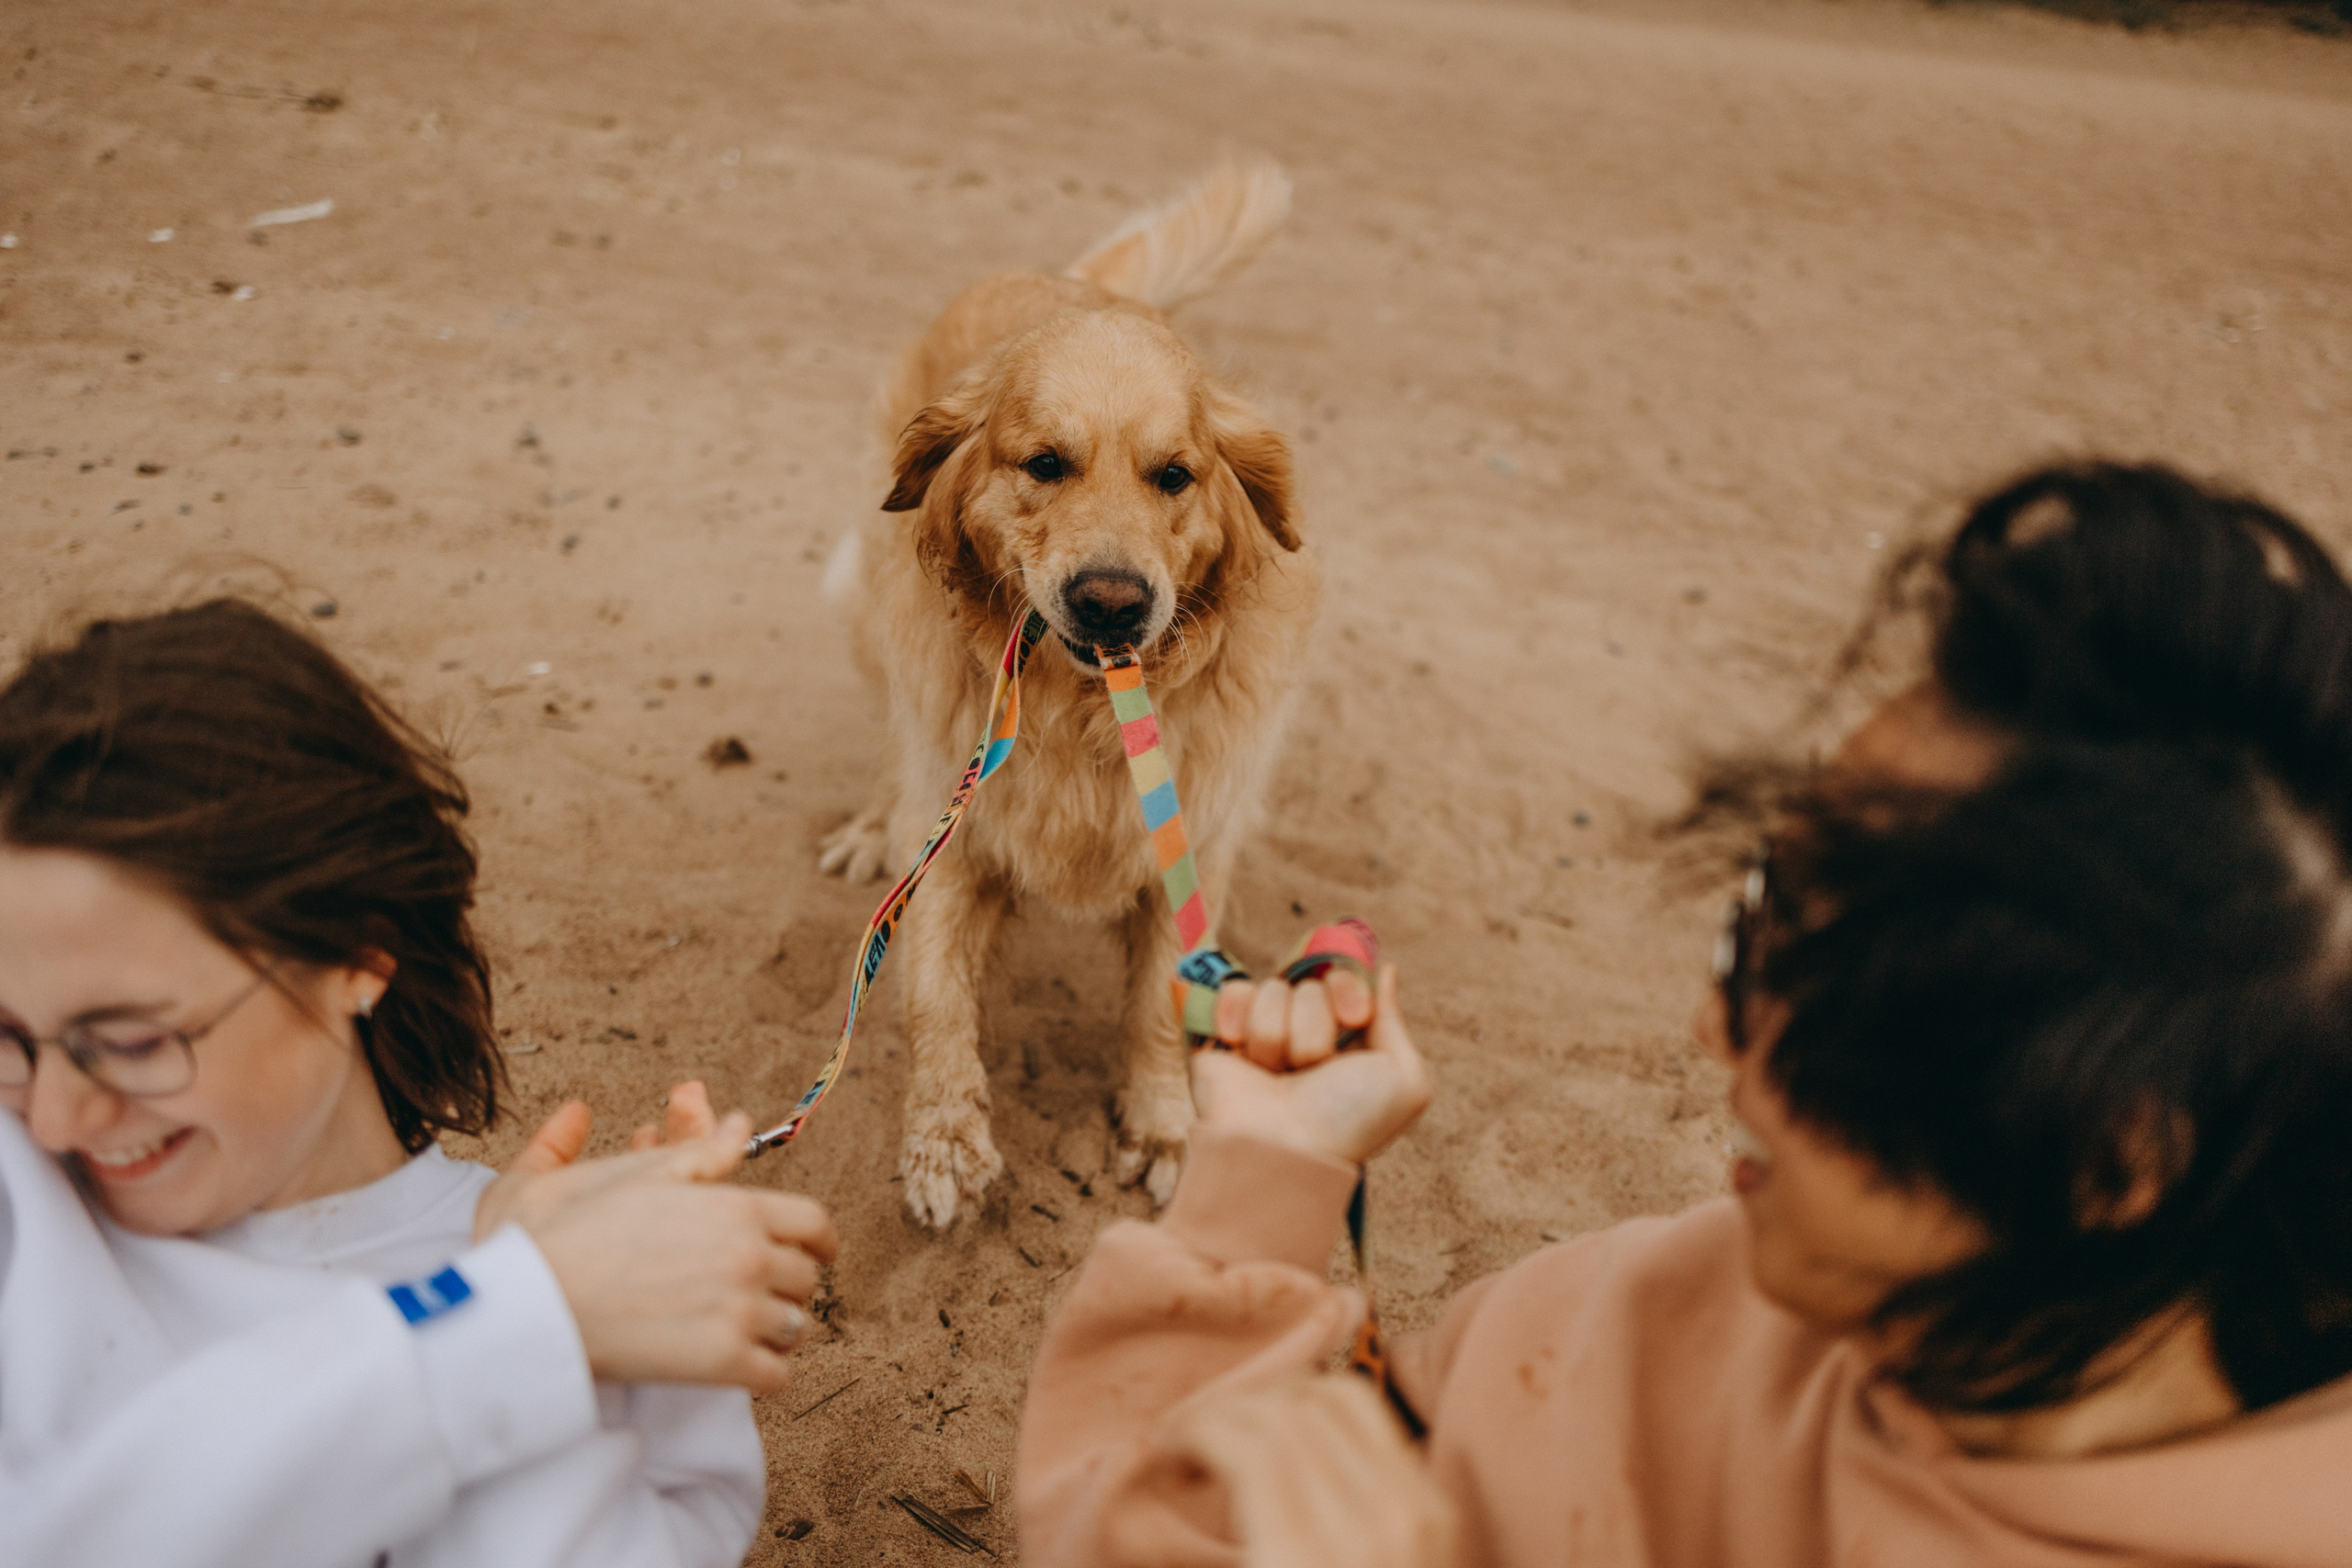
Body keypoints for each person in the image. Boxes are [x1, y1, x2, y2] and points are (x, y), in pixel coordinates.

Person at [1016, 461, 2352, 1568]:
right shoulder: (1650, 1321)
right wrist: (1260, 1187)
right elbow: (1143, 1527)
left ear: (2110, 1157)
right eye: (1763, 911)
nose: (1719, 1029)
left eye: (1846, 999)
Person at [0, 599, 838, 1568]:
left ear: (357, 955)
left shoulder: (577, 1268)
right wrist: (508, 1327)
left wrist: (582, 1338)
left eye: (132, 1042)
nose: (55, 1118)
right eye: (9, 1034)